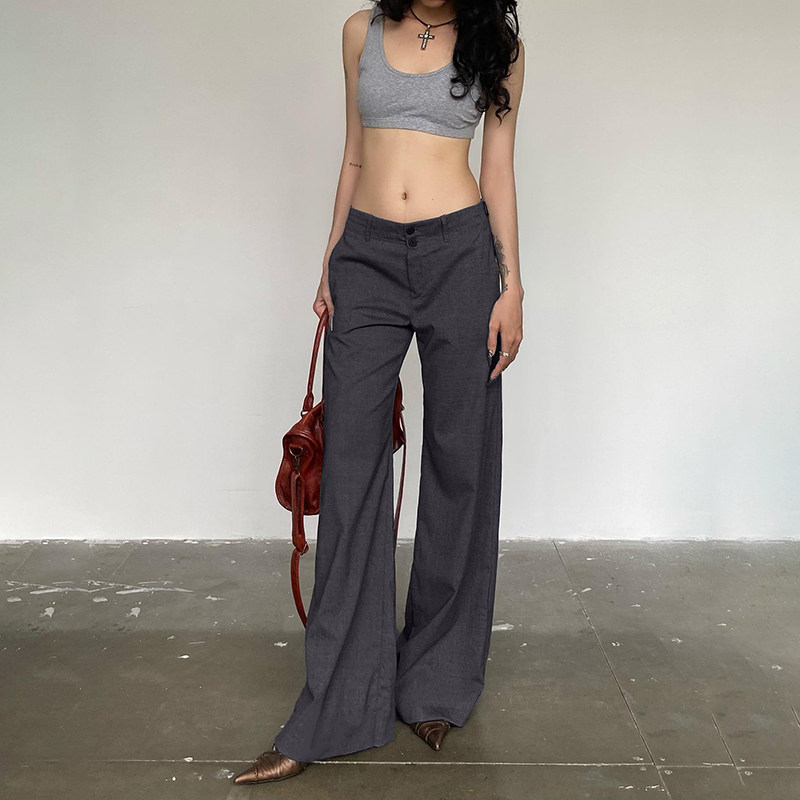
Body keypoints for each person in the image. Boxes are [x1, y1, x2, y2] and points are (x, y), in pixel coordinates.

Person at [234, 0, 524, 785]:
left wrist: (512, 285)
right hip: (366, 256)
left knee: (460, 463)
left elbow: (498, 169)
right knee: (353, 470)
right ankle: (337, 704)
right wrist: (332, 257)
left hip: (462, 256)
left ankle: (434, 681)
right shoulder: (360, 32)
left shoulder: (498, 46)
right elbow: (355, 155)